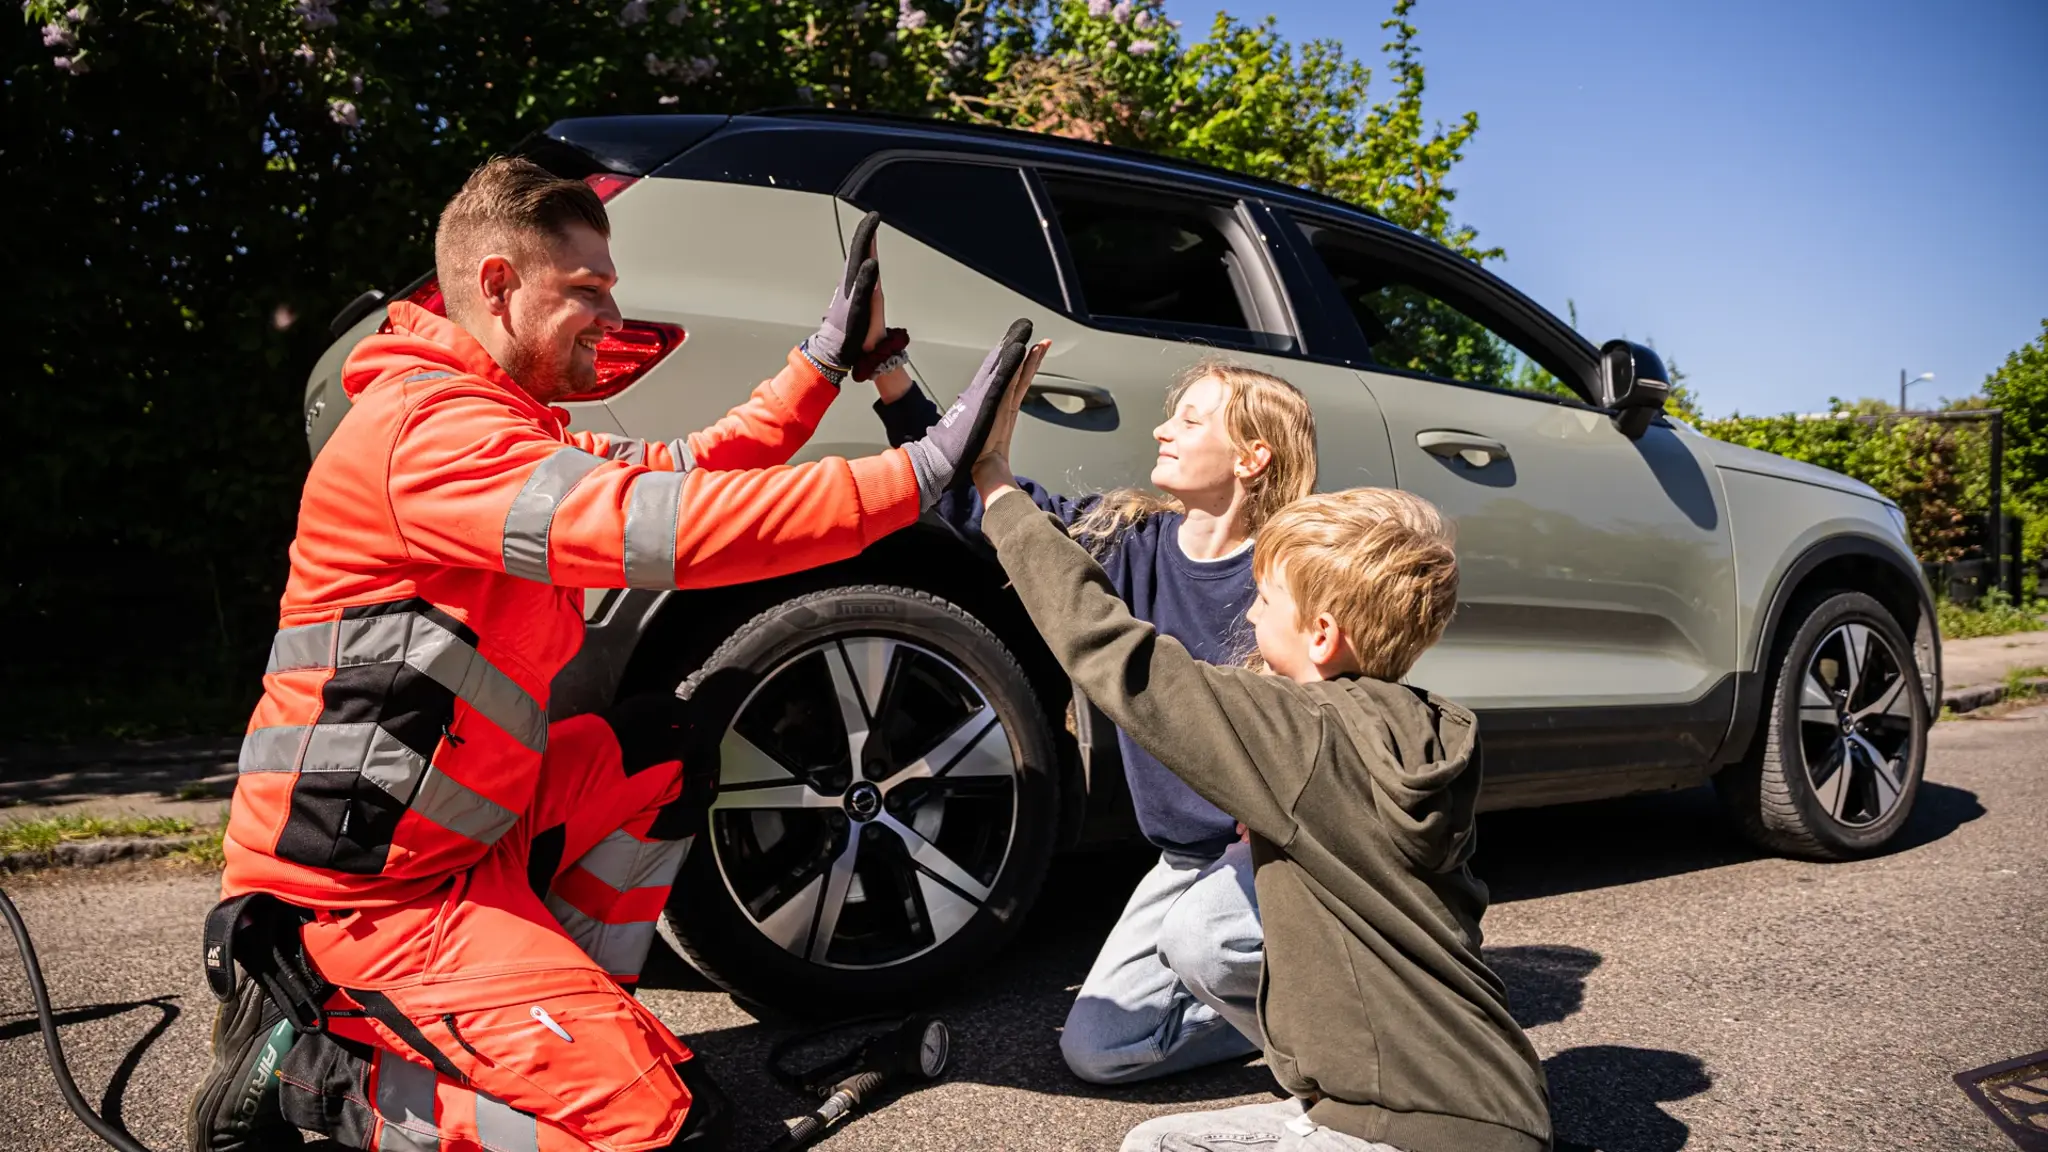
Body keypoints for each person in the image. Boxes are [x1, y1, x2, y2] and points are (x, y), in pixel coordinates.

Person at [188, 156, 1031, 1152]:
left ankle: (567, 1008)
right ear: (497, 286)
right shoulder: (426, 434)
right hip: (371, 902)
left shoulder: (498, 426)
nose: (610, 311)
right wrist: (919, 470)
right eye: (584, 289)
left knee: (660, 748)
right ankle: (329, 1090)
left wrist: (818, 360)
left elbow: (684, 466)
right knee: (664, 1132)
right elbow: (660, 525)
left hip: (466, 850)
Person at [965, 348, 1553, 1152]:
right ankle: (1314, 1068)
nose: (1254, 611)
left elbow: (1115, 656)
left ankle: (1318, 1072)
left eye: (1268, 599)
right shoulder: (1421, 723)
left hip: (1407, 1124)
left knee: (1203, 936)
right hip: (1479, 1099)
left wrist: (995, 475)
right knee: (1149, 1129)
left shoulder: (1295, 736)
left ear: (1319, 632)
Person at [870, 357, 1317, 1085]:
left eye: (1190, 420)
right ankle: (1266, 1016)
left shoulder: (1288, 574)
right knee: (1099, 1049)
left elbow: (1334, 706)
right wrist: (889, 376)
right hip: (1183, 858)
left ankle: (1330, 1024)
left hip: (1275, 853)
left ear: (1252, 456)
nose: (1161, 429)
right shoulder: (1131, 541)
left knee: (1204, 940)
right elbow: (990, 517)